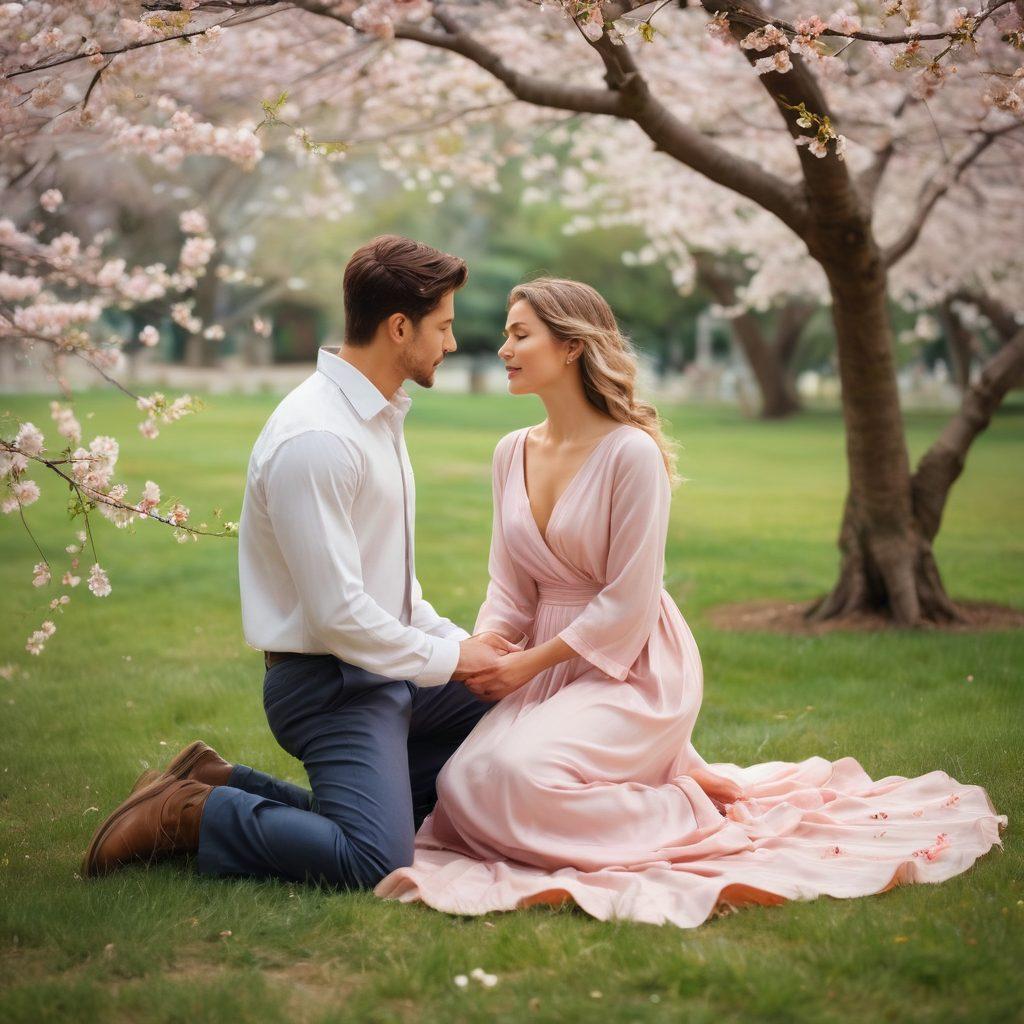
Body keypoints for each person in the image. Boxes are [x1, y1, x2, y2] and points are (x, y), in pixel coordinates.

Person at [374, 277, 1008, 928]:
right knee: (461, 786)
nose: (502, 347)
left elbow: (628, 602)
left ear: (569, 348)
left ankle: (681, 805)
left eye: (519, 334)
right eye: (506, 334)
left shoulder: (631, 454)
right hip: (544, 659)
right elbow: (509, 587)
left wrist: (525, 666)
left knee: (513, 780)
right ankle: (624, 796)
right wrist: (490, 651)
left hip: (634, 666)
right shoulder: (511, 453)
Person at [81, 235, 517, 887]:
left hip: (380, 667)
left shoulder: (377, 419)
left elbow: (394, 591)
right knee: (376, 861)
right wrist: (456, 661)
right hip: (330, 685)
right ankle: (191, 812)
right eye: (443, 327)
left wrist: (472, 651)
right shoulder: (318, 436)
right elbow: (339, 616)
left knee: (515, 706)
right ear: (400, 328)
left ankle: (222, 779)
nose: (450, 344)